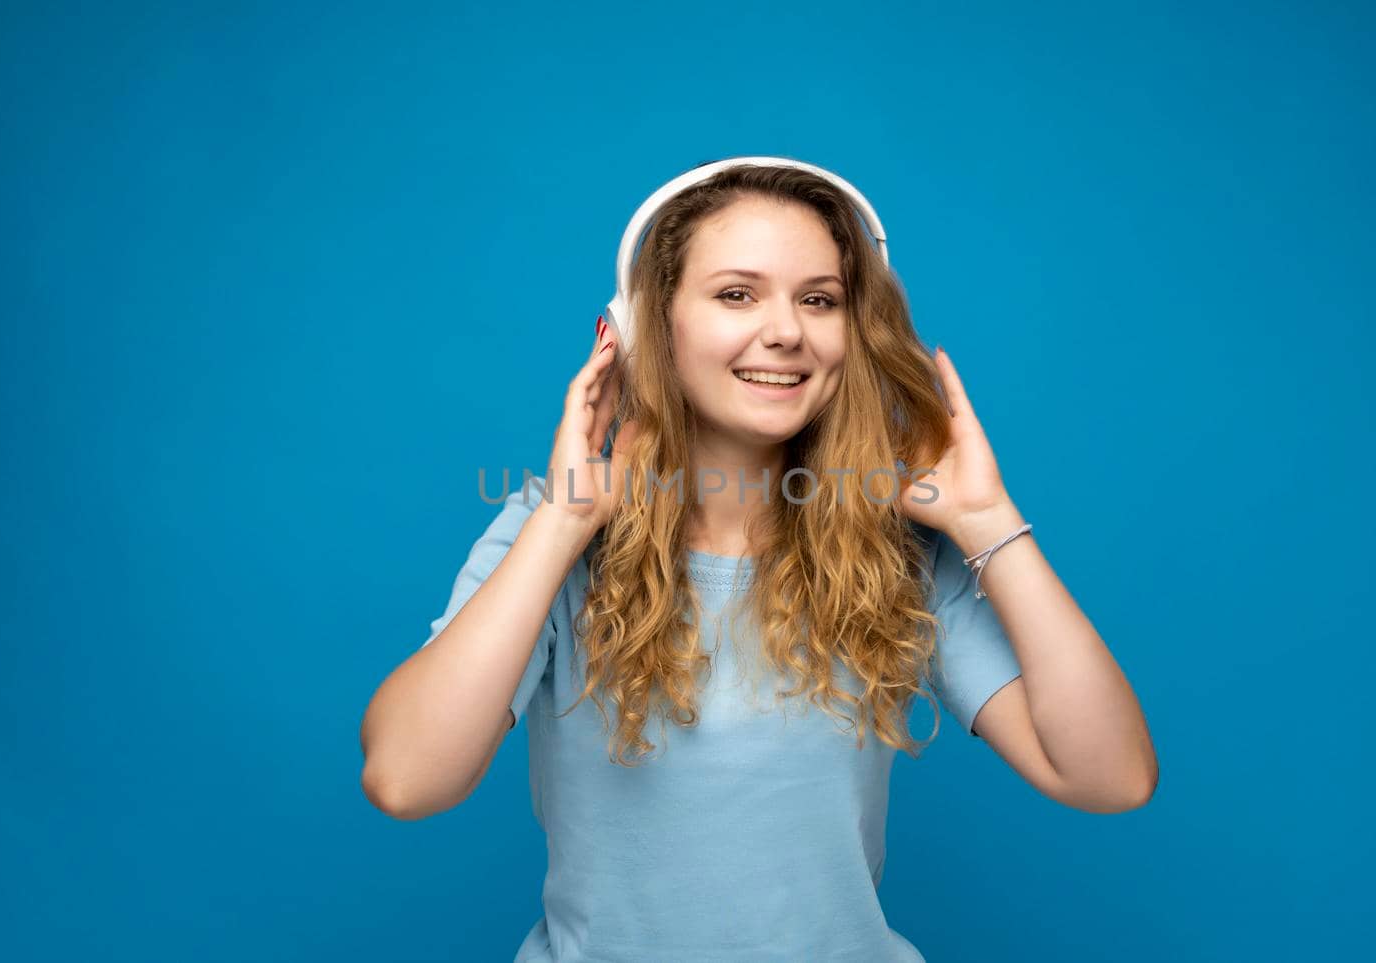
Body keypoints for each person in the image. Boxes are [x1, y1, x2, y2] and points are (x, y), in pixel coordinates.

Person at [360, 160, 1158, 962]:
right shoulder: (550, 533)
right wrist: (567, 518)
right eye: (737, 293)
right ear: (645, 327)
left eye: (819, 299)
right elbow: (407, 778)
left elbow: (1108, 777)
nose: (786, 331)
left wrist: (987, 520)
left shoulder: (899, 548)